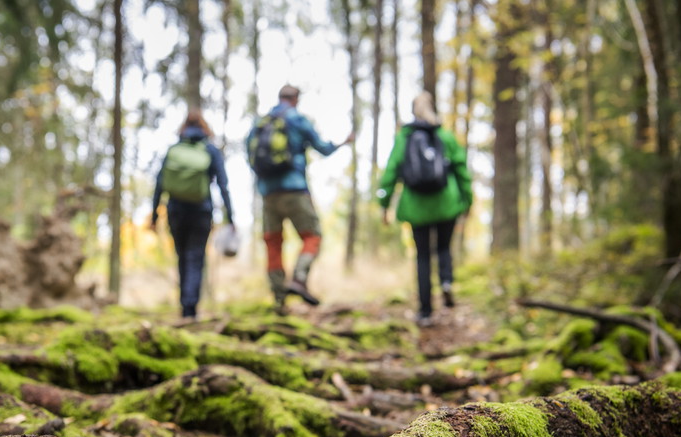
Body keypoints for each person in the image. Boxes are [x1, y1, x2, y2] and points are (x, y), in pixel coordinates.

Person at [247, 84, 354, 311]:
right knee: (313, 235)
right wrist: (343, 143)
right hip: (295, 190)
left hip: (267, 193)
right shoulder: (297, 119)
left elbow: (250, 152)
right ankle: (299, 278)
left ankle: (278, 301)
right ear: (295, 99)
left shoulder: (261, 123)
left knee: (273, 243)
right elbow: (322, 148)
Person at [377, 91, 473, 327]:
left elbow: (391, 172)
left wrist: (384, 203)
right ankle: (447, 282)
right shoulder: (444, 136)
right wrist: (466, 201)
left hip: (415, 206)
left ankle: (425, 311)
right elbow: (461, 170)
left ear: (413, 111)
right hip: (446, 203)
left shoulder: (405, 137)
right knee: (443, 248)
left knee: (422, 257)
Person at [152, 109, 235, 319]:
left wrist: (154, 215)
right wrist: (230, 217)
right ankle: (191, 309)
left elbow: (159, 184)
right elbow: (223, 184)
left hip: (176, 211)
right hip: (201, 211)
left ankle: (184, 307)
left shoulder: (175, 149)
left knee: (182, 257)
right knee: (195, 257)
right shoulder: (210, 150)